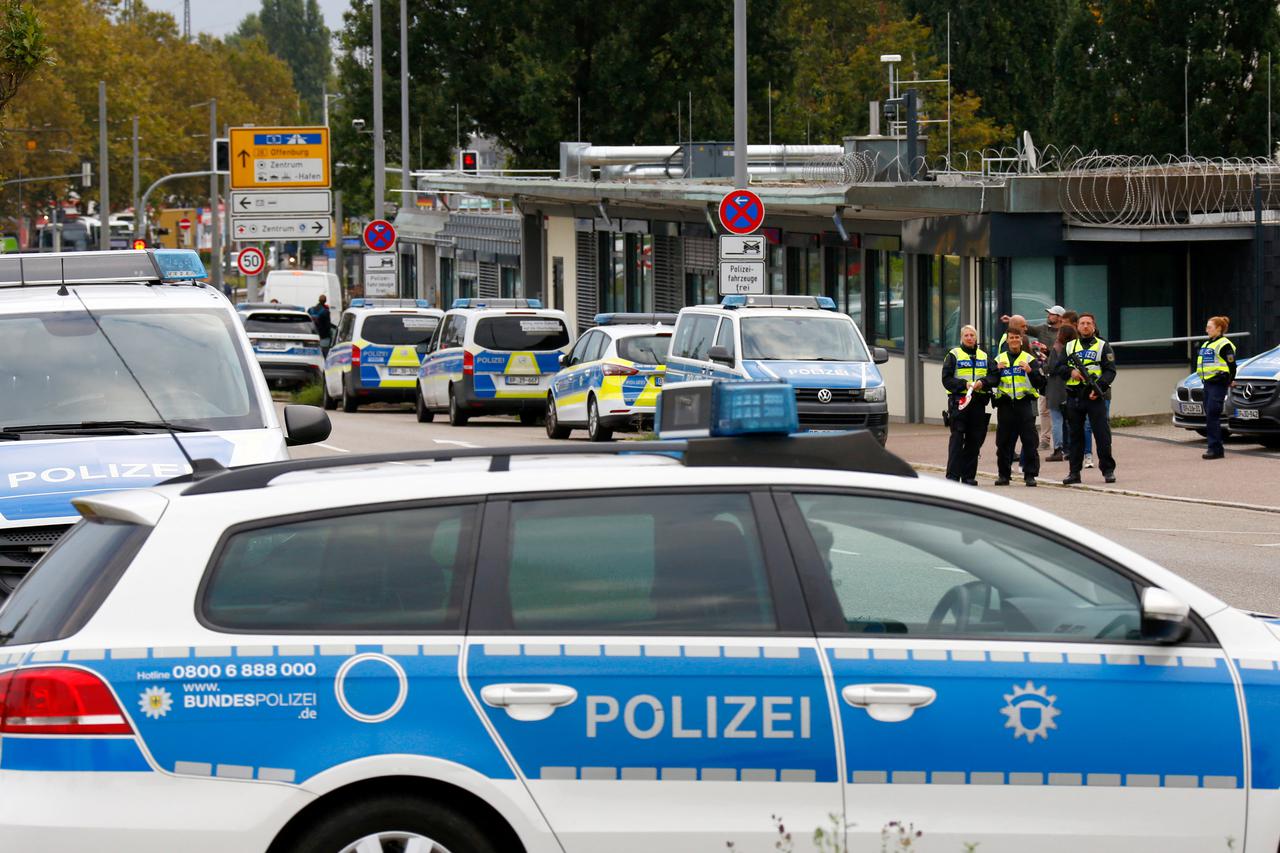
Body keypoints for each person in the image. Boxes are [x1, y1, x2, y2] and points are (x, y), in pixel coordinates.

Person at [1057, 312, 1117, 484]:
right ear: (1077, 326)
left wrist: (1100, 388)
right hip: (1074, 396)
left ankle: (1108, 471)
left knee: (1102, 435)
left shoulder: (1103, 346)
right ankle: (1074, 473)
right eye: (1082, 323)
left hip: (1094, 396)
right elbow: (1058, 368)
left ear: (1094, 326)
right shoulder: (1069, 347)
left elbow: (1110, 371)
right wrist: (1071, 372)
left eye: (1088, 323)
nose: (1085, 326)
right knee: (1075, 436)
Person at [942, 324, 996, 485]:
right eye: (966, 335)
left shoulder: (984, 356)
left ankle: (968, 476)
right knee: (957, 439)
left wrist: (983, 382)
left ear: (976, 338)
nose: (970, 338)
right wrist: (963, 384)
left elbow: (994, 376)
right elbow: (946, 379)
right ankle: (952, 476)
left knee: (974, 440)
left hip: (978, 403)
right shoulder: (953, 355)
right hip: (959, 402)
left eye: (972, 335)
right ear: (961, 338)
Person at [992, 331, 1046, 486]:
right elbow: (992, 382)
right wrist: (997, 370)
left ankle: (1030, 475)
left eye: (1017, 338)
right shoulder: (998, 360)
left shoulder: (1030, 359)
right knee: (1003, 442)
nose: (1014, 340)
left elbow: (1040, 383)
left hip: (1024, 404)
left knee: (1029, 441)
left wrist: (1031, 371)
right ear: (1007, 341)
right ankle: (1004, 474)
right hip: (1005, 405)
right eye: (1011, 338)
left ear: (1021, 341)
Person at [1198, 315, 1237, 460]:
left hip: (1218, 383)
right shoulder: (1207, 344)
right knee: (1209, 415)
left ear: (1219, 329)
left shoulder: (1224, 344)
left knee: (1213, 414)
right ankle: (1215, 447)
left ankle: (1214, 448)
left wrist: (1230, 380)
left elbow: (1232, 365)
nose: (1206, 330)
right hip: (1207, 383)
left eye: (1209, 327)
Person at [1044, 324, 1078, 462]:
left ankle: (1058, 449)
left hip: (1056, 388)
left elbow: (1052, 368)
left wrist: (1043, 365)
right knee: (1069, 421)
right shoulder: (1075, 347)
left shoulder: (1057, 348)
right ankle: (1070, 449)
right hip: (1069, 387)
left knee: (1056, 420)